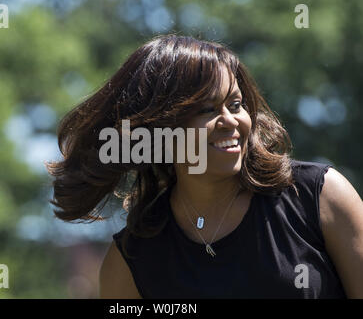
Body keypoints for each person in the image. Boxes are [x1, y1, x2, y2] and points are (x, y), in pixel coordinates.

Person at [46, 34, 363, 299]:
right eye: (207, 109)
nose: (230, 121)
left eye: (235, 104)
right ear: (162, 128)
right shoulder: (131, 262)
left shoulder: (320, 197)